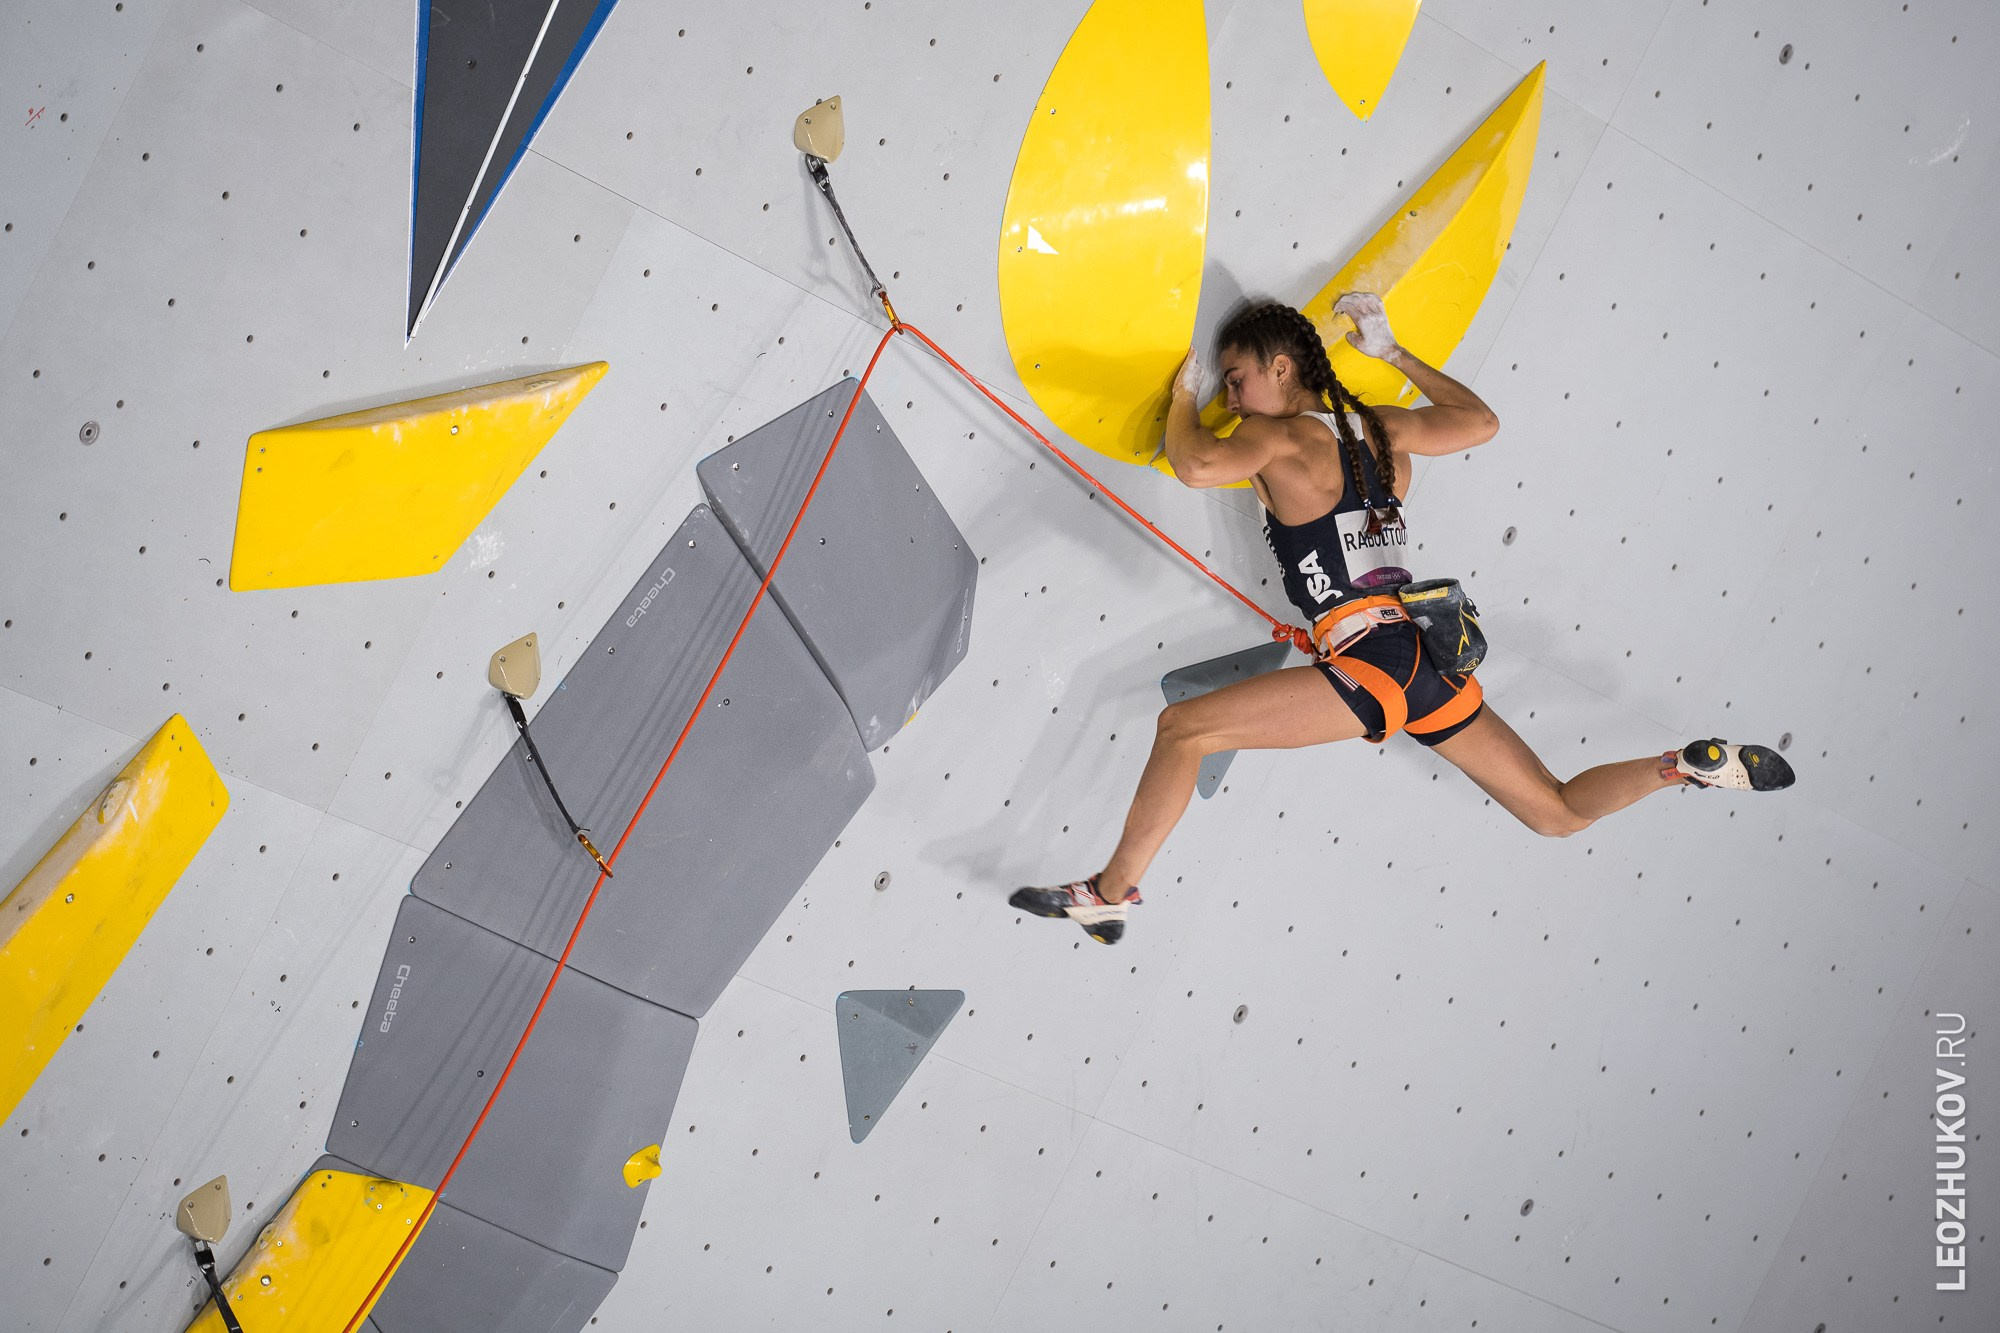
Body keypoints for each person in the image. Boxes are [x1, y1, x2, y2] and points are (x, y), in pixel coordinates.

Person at [1011, 293, 1795, 944]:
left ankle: (1113, 891)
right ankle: (1680, 767)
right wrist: (1395, 351)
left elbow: (1192, 463)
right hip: (1428, 662)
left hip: (1371, 660)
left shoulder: (1278, 435)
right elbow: (1480, 421)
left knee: (1185, 729)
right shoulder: (1380, 431)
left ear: (1280, 368)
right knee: (1555, 814)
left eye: (1238, 376)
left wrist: (1183, 397)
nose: (1231, 395)